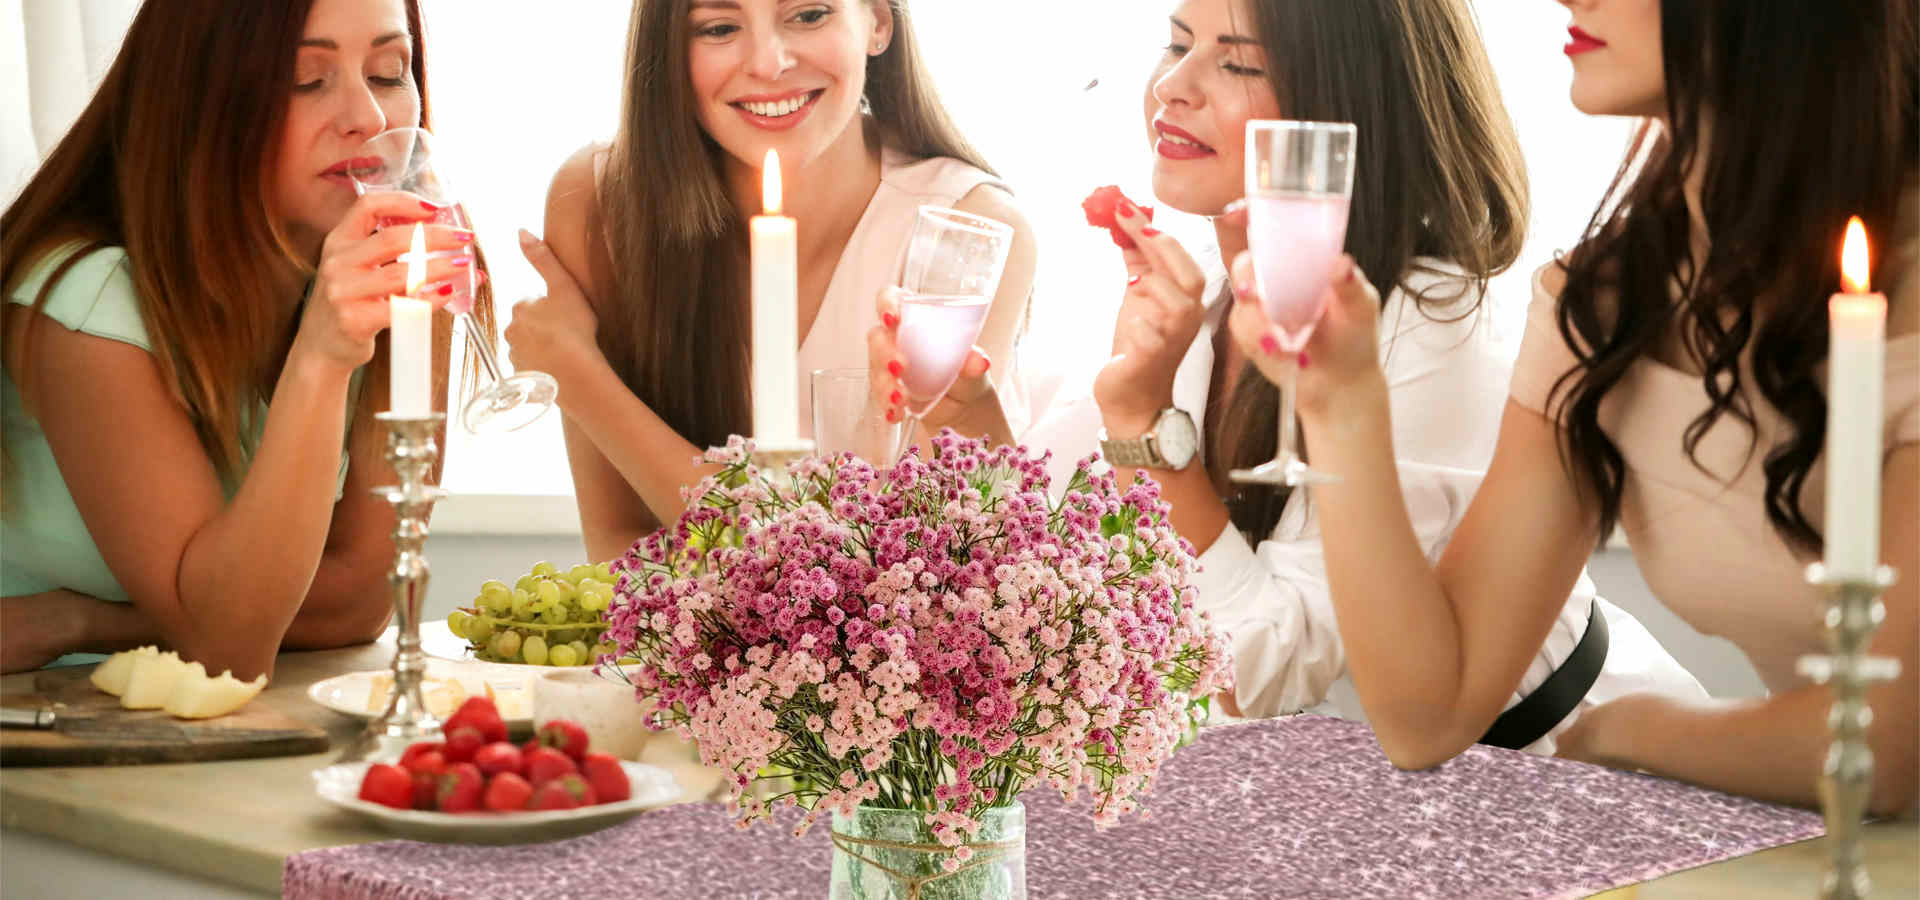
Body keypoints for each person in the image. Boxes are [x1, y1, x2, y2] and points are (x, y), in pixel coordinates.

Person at [870, 0, 1707, 754]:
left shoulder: (1438, 323)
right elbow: (1062, 570)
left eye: (1238, 63)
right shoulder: (1206, 282)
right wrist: (965, 412)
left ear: (1346, 111)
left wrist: (1148, 427)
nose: (1172, 87)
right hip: (1328, 788)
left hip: (1560, 776)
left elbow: (1261, 672)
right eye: (1176, 43)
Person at [1225, 0, 1917, 812]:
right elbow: (1428, 714)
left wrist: (1631, 727)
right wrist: (1343, 406)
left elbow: (1890, 743)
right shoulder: (1609, 302)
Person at [1, 0, 488, 679]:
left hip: (223, 728)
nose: (369, 119)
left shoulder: (393, 268)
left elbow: (366, 599)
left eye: (387, 71)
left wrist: (82, 620)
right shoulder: (86, 299)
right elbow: (227, 646)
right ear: (201, 99)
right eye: (306, 80)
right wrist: (321, 359)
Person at [508, 0, 1038, 565]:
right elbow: (619, 547)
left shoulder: (969, 228)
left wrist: (583, 379)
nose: (768, 63)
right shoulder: (599, 203)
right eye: (719, 28)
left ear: (878, 22)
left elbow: (905, 588)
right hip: (669, 654)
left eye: (809, 15)